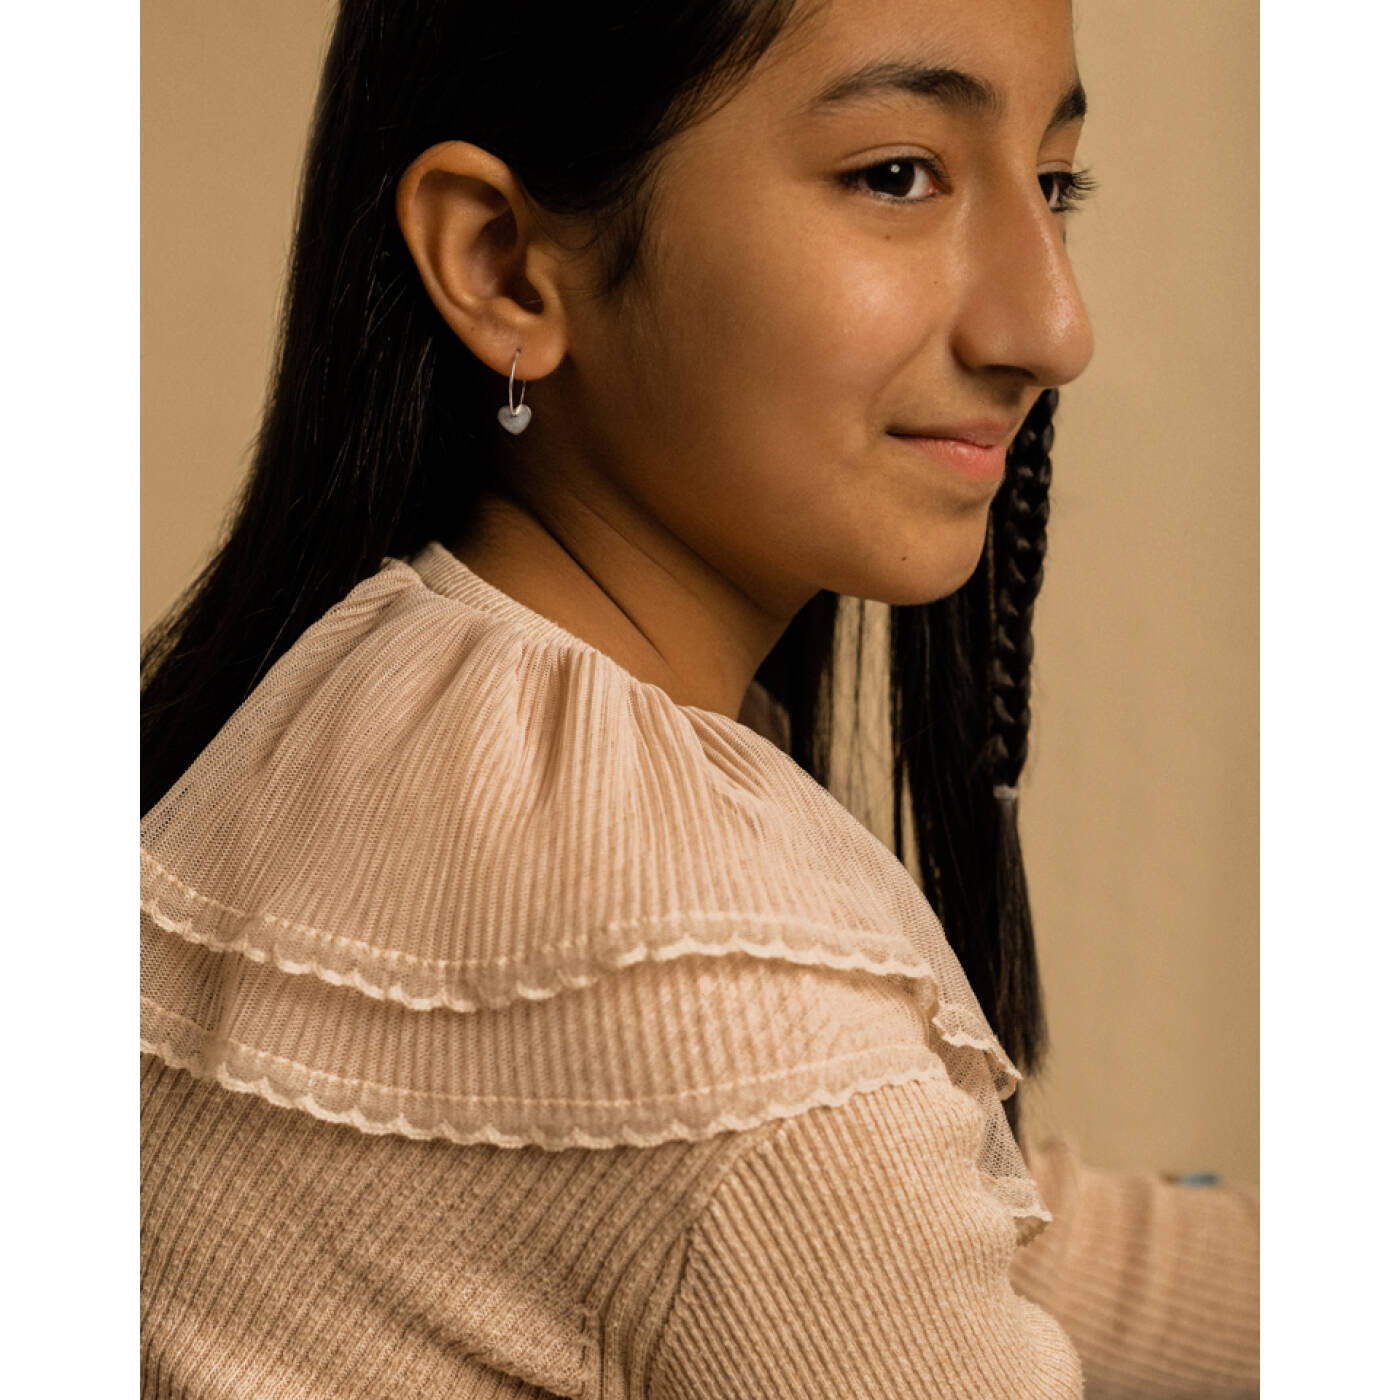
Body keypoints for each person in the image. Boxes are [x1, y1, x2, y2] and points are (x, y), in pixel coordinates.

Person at [140, 0, 1259, 1395]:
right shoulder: (695, 955)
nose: (1052, 327)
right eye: (897, 175)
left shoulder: (375, 693)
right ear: (503, 264)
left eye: (1052, 184)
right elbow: (794, 1153)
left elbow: (974, 1237)